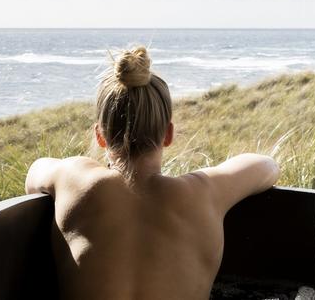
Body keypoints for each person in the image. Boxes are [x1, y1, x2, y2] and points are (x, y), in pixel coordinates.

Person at [25, 46, 280, 300]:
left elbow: (33, 176)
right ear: (168, 134)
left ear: (100, 136)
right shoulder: (202, 193)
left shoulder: (74, 177)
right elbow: (268, 166)